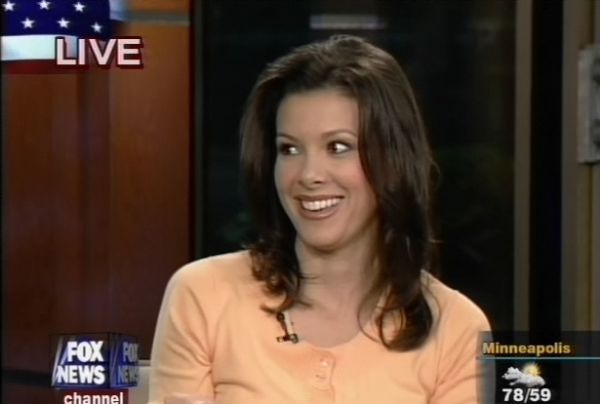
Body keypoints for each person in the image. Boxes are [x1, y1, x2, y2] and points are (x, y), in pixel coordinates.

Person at [148, 34, 490, 404]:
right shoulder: (204, 295)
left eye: (338, 147)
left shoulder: (457, 329)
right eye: (289, 149)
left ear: (393, 159)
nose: (309, 174)